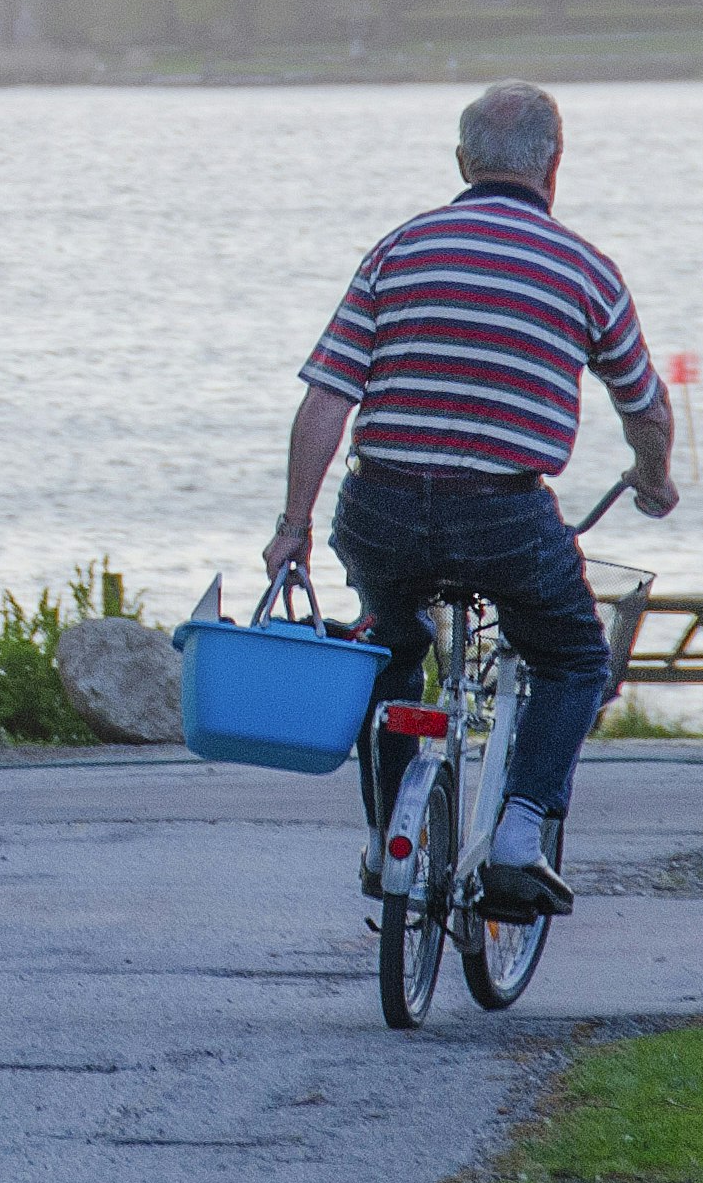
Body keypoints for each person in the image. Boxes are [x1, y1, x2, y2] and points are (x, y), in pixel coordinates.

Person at [261, 78, 676, 918]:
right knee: (573, 658)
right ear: (553, 166)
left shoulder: (399, 249)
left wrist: (291, 525)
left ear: (461, 161)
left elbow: (325, 400)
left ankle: (386, 841)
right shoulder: (584, 269)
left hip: (379, 508)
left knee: (391, 644)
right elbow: (644, 405)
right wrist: (653, 477)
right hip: (504, 516)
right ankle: (520, 835)